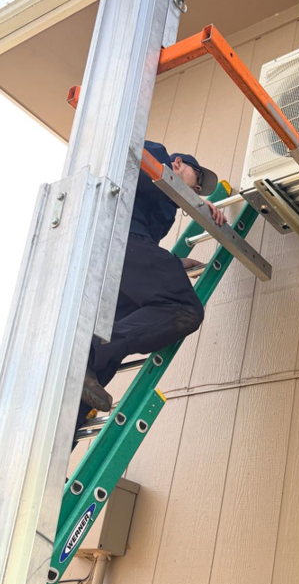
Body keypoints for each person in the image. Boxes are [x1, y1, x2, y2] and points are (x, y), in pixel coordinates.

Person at [78, 140, 227, 427]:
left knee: (114, 343)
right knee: (184, 308)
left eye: (198, 191)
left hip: (122, 259)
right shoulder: (156, 155)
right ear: (179, 164)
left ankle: (73, 408)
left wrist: (172, 261)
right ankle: (92, 350)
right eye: (197, 180)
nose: (196, 190)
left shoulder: (168, 211)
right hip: (115, 240)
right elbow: (136, 172)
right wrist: (195, 201)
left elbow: (145, 251)